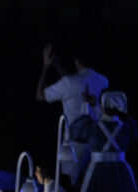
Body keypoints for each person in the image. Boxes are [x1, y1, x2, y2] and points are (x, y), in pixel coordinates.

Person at [36, 43, 108, 180]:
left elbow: (40, 95)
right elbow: (75, 82)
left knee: (68, 184)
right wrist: (59, 68)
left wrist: (46, 67)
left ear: (76, 62)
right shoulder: (103, 81)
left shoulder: (69, 83)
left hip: (74, 145)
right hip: (98, 143)